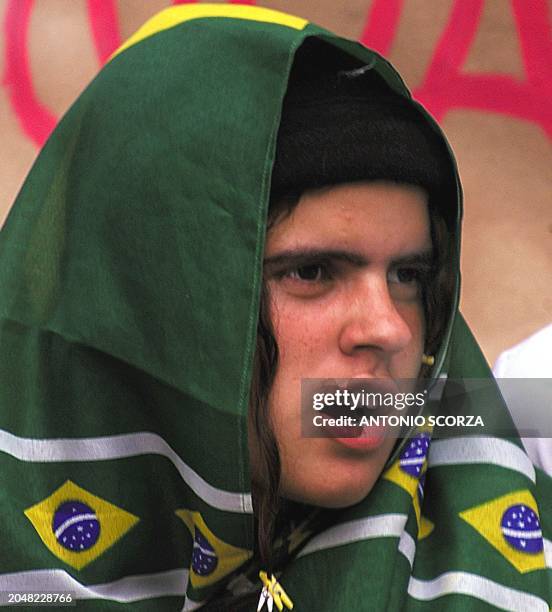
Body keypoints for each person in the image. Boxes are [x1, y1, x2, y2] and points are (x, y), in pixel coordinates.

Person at [0, 5, 549, 611]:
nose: (389, 328)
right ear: (148, 304)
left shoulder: (503, 471)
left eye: (410, 275)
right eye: (311, 272)